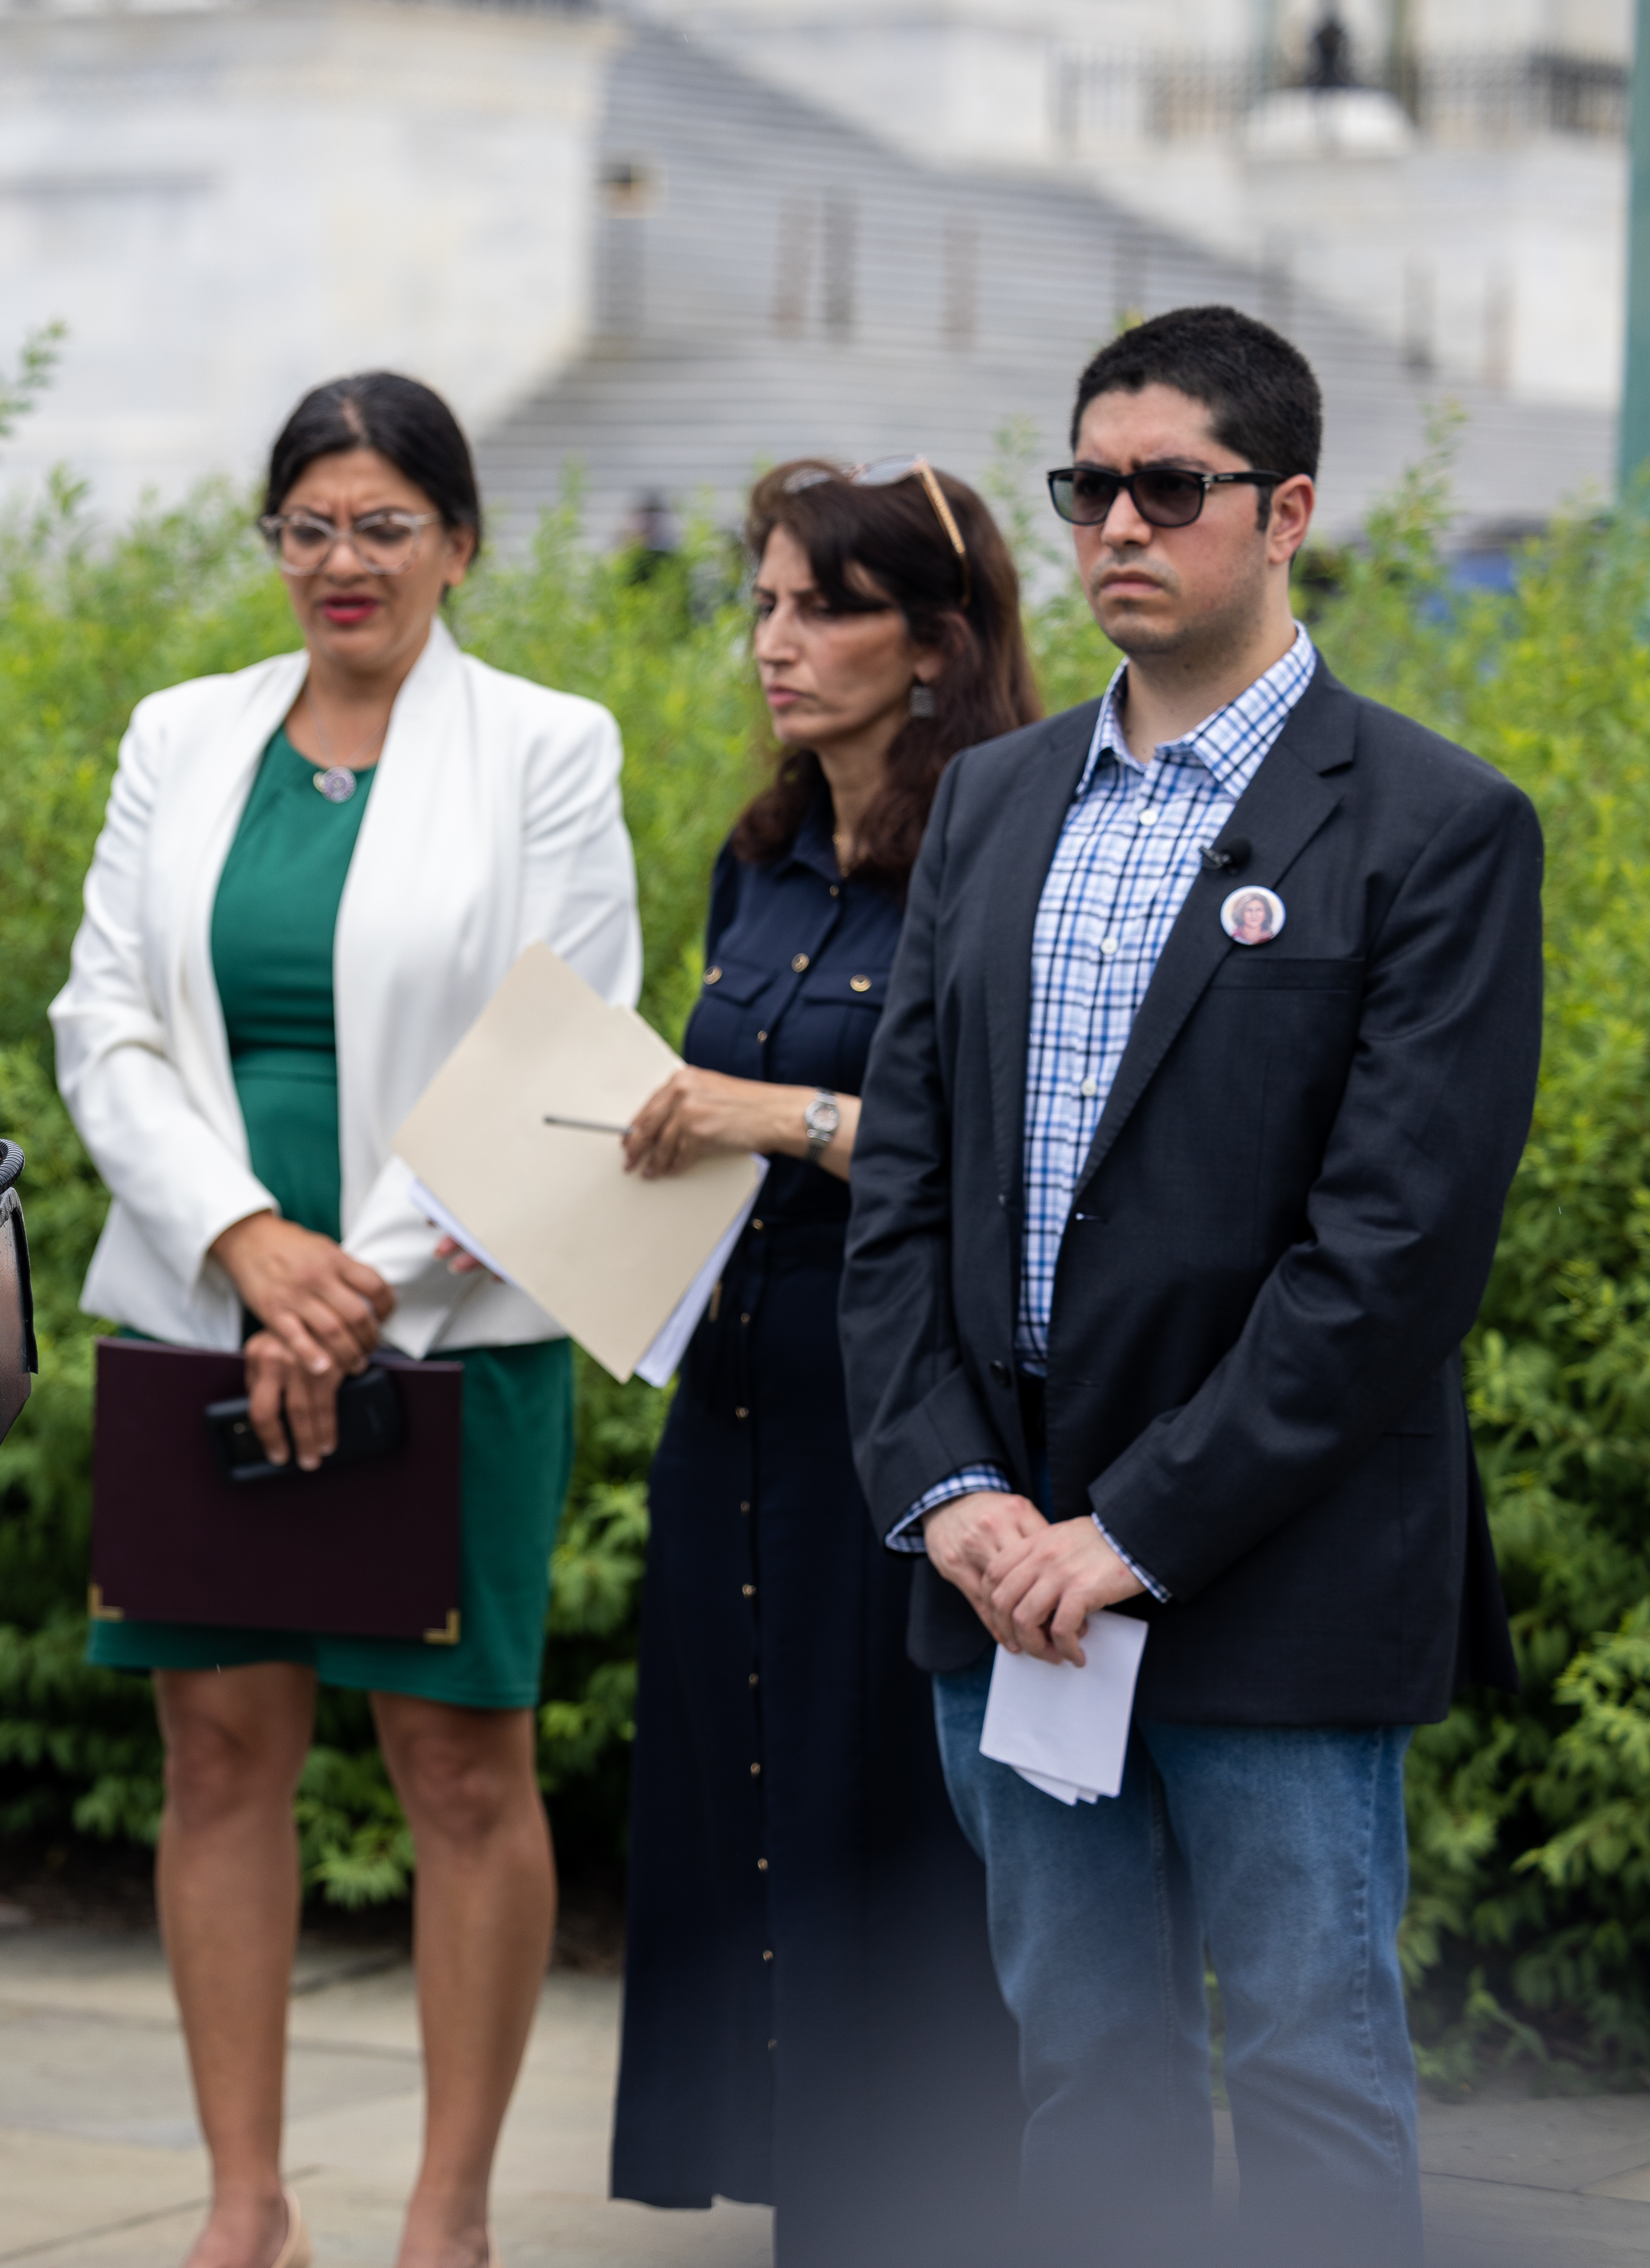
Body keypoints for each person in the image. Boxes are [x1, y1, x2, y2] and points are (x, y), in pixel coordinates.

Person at [842, 306, 1538, 2268]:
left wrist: (1132, 1528)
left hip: (1274, 1569)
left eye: (1169, 485)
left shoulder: (1434, 828)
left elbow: (1389, 1259)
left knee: (1314, 2070)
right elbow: (897, 1191)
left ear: (1286, 507)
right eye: (1087, 486)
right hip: (1000, 1578)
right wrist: (957, 1498)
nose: (1116, 522)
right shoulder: (988, 805)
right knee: (1081, 2067)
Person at [51, 372, 641, 2268]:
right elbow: (103, 1023)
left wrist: (356, 1281)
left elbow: (564, 1045)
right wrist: (244, 1244)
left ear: (458, 544)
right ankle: (244, 2205)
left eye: (383, 524)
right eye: (306, 524)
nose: (341, 561)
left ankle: (446, 2212)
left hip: (451, 1327)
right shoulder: (179, 732)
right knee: (215, 1751)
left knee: (457, 1762)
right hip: (198, 1309)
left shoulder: (546, 746)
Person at [598, 456, 1031, 2264]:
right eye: (760, 603)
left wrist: (764, 1113)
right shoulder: (758, 853)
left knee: (884, 1831)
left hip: (900, 1412)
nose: (771, 643)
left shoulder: (1000, 846)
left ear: (931, 646)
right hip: (732, 1400)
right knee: (743, 1804)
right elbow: (707, 1123)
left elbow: (990, 1146)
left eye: (816, 607)